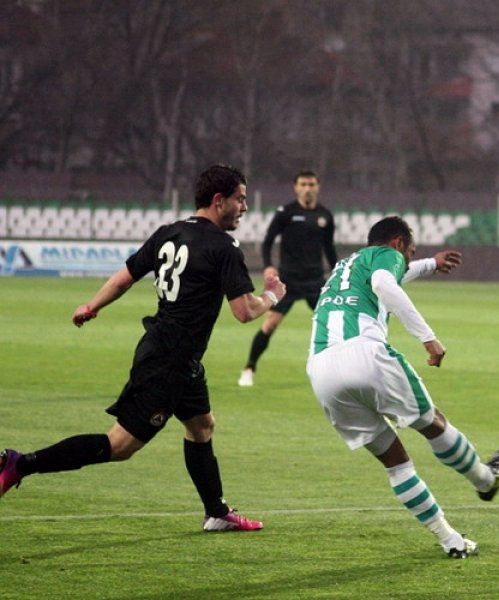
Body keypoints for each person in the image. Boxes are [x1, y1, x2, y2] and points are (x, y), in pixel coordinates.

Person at [0, 165, 287, 532]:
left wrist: (92, 306)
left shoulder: (169, 233)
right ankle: (19, 463)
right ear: (219, 201)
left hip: (175, 355)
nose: (245, 207)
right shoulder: (223, 246)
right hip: (169, 360)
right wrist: (271, 296)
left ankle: (216, 511)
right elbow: (245, 311)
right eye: (240, 198)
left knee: (202, 426)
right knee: (120, 445)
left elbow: (124, 278)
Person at [306, 216, 499, 558]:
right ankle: (485, 480)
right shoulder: (383, 255)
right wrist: (428, 338)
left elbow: (394, 274)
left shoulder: (345, 268)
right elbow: (387, 283)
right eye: (409, 253)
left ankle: (451, 540)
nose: (406, 260)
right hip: (365, 355)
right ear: (398, 243)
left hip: (321, 371)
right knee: (431, 422)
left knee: (396, 463)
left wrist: (431, 264)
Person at [238, 169, 337, 387]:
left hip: (315, 280)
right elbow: (268, 241)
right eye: (303, 184)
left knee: (333, 324)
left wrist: (338, 273)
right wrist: (268, 266)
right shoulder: (286, 212)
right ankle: (249, 368)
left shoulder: (325, 215)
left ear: (318, 187)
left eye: (311, 184)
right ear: (296, 187)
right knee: (270, 324)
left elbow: (329, 249)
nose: (307, 188)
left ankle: (335, 371)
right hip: (288, 281)